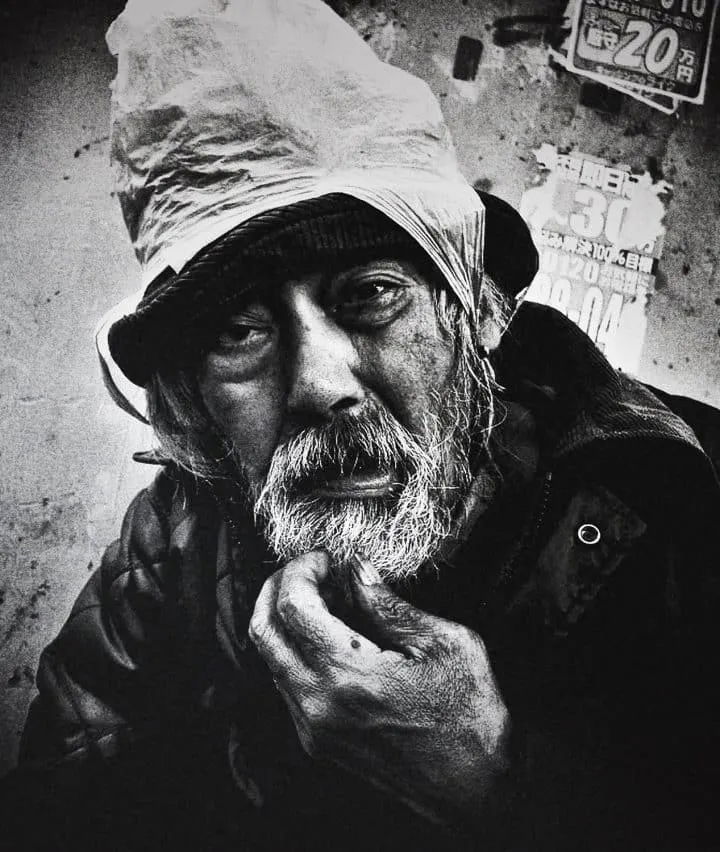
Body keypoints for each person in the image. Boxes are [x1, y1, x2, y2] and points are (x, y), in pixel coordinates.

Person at [3, 1, 719, 850]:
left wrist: (497, 784)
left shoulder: (687, 497)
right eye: (239, 330)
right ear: (193, 395)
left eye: (372, 293)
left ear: (477, 311)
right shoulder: (175, 541)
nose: (320, 385)